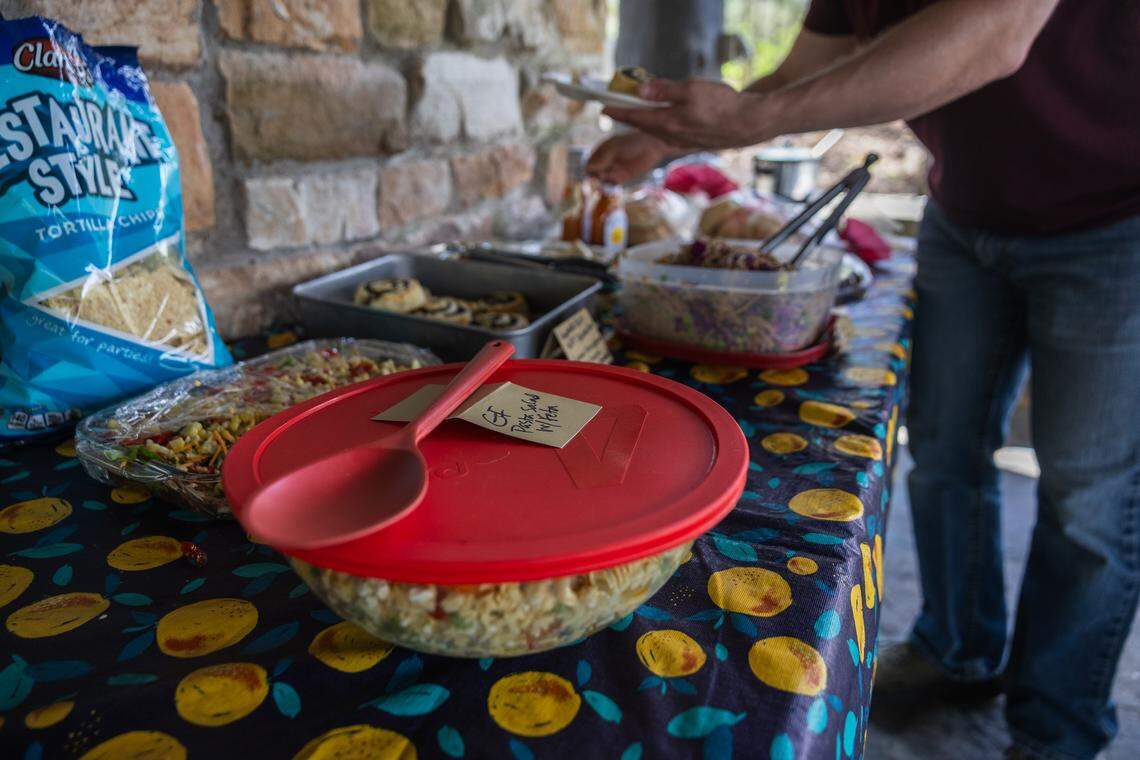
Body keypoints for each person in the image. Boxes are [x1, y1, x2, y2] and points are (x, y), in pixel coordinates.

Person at [588, 2, 1140, 759]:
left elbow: (996, 37)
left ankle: (1057, 731)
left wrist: (754, 119)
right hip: (964, 212)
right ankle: (958, 650)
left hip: (1115, 219)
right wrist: (668, 135)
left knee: (1090, 496)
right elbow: (803, 70)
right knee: (943, 453)